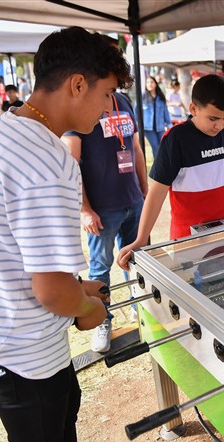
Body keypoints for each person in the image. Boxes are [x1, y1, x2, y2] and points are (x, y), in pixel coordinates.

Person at [0, 26, 132, 442]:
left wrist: (78, 287)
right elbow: (50, 292)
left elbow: (11, 246)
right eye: (106, 94)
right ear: (77, 84)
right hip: (18, 347)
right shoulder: (50, 163)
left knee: (65, 406)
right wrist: (89, 309)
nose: (107, 108)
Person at [117, 75, 224, 269]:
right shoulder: (175, 139)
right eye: (213, 118)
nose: (219, 125)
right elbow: (157, 192)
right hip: (188, 243)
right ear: (193, 109)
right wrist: (141, 238)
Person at [63, 87, 147, 353]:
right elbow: (70, 163)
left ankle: (142, 309)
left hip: (132, 200)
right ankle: (103, 321)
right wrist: (84, 209)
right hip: (101, 208)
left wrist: (144, 190)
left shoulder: (122, 99)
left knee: (138, 259)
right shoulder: (81, 105)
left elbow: (135, 148)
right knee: (100, 268)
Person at [139, 75, 172, 160]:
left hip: (160, 127)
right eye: (148, 82)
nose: (149, 84)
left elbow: (165, 112)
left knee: (162, 147)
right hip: (148, 128)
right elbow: (137, 112)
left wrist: (169, 124)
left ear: (156, 84)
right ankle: (157, 169)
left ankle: (162, 166)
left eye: (151, 82)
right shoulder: (142, 97)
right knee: (156, 147)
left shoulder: (160, 97)